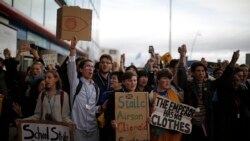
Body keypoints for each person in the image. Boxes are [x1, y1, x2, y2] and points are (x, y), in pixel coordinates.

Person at [67, 37, 102, 141]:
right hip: (78, 129)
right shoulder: (76, 83)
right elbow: (71, 69)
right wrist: (73, 49)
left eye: (92, 67)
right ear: (81, 69)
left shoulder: (96, 87)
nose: (91, 69)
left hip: (93, 129)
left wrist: (101, 107)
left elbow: (92, 107)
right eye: (87, 66)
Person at [149, 69, 183, 141]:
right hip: (159, 130)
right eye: (164, 78)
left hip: (174, 131)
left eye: (169, 79)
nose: (168, 81)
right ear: (158, 80)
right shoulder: (151, 94)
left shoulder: (174, 91)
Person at [104, 71, 138, 141]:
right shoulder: (115, 95)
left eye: (135, 80)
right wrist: (111, 121)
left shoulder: (140, 96)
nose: (133, 83)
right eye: (129, 80)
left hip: (134, 133)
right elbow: (107, 113)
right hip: (117, 133)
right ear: (123, 82)